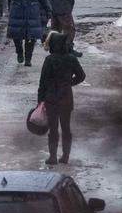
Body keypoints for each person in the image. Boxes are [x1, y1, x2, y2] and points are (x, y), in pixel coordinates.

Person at [36, 31, 86, 166]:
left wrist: (40, 101)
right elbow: (81, 76)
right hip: (66, 97)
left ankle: (52, 157)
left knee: (53, 129)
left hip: (51, 98)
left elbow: (43, 82)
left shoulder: (50, 60)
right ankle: (65, 156)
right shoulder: (71, 59)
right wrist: (70, 83)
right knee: (66, 128)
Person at [4, 0, 51, 68]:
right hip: (18, 10)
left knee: (31, 36)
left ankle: (28, 58)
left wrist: (48, 8)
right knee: (17, 34)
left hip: (32, 11)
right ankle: (19, 51)